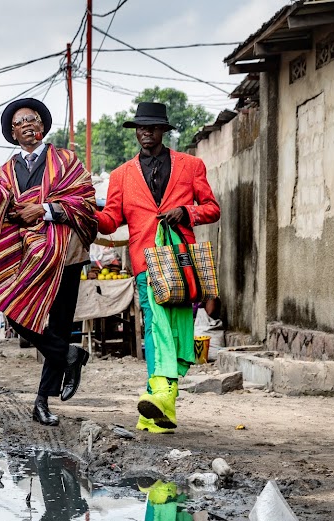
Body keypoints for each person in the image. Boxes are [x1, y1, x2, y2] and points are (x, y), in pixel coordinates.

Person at [0, 99, 97, 427]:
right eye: (20, 122)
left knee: (61, 324)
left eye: (33, 119)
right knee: (17, 313)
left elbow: (86, 200)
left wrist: (46, 210)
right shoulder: (6, 171)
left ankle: (42, 402)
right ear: (12, 132)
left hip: (67, 252)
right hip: (27, 255)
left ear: (42, 126)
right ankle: (69, 356)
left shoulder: (67, 160)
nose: (27, 125)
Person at [95, 101, 220, 433]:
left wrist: (187, 212)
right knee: (156, 324)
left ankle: (158, 409)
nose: (144, 132)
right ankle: (164, 393)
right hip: (145, 261)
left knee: (177, 331)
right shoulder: (121, 175)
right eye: (140, 126)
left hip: (181, 262)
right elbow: (110, 221)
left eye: (151, 126)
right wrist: (85, 215)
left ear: (163, 130)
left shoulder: (191, 165)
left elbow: (212, 208)